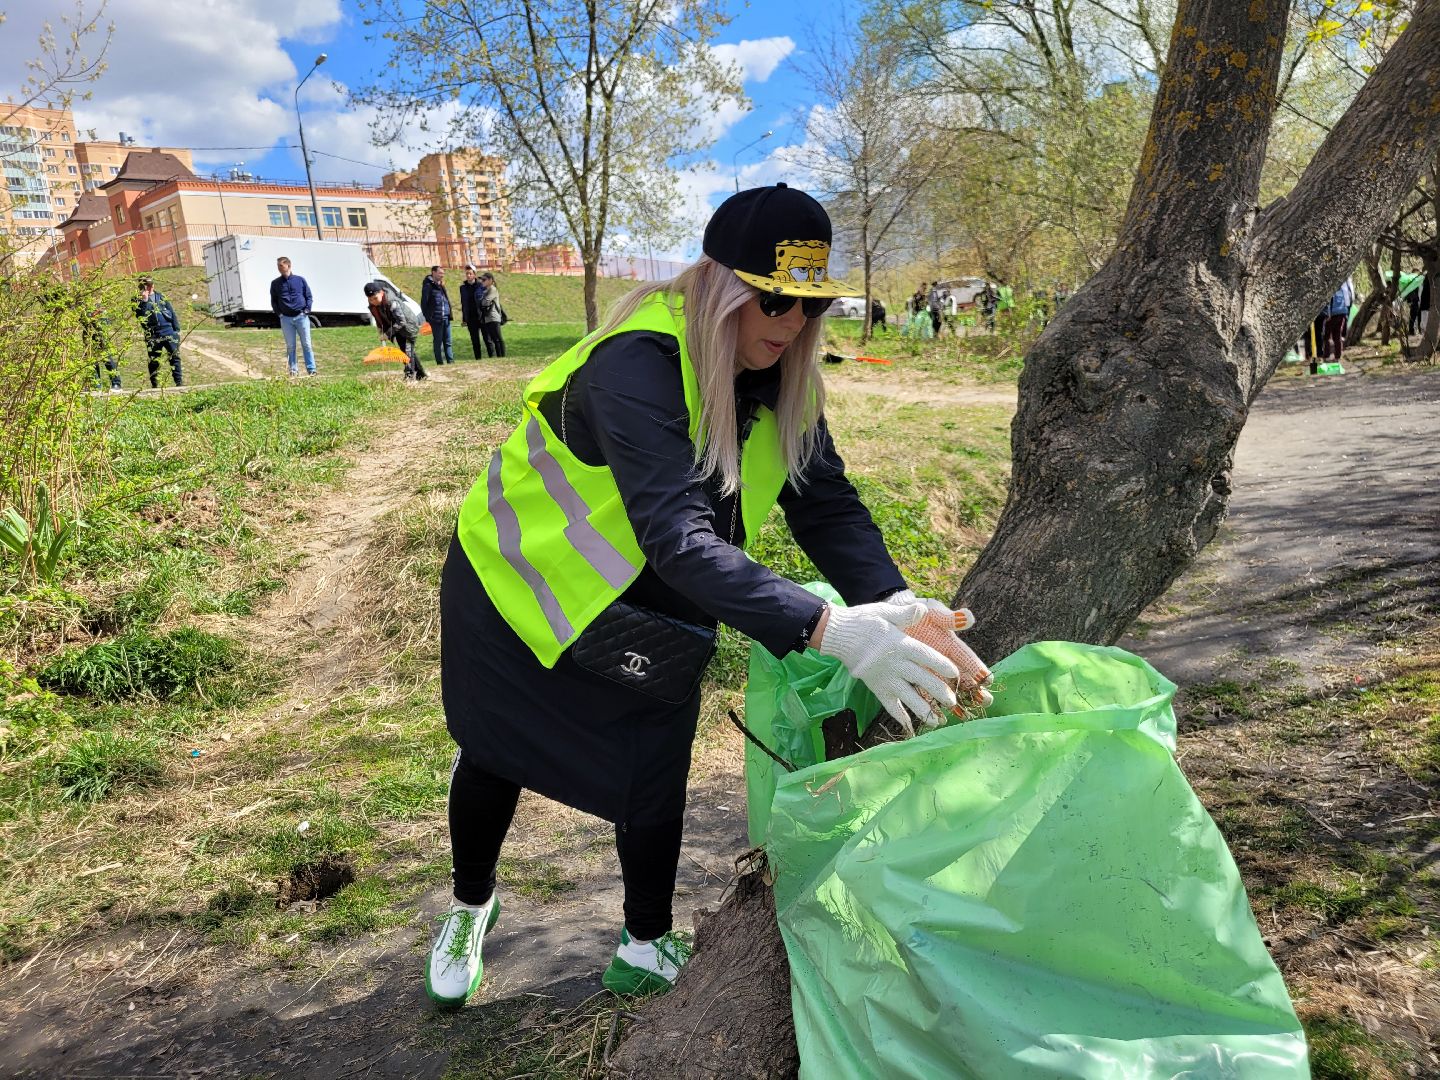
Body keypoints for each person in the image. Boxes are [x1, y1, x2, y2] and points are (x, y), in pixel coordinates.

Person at [427, 182, 982, 1010]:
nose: (792, 325)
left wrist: (901, 607)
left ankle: (643, 943)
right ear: (723, 286)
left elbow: (823, 501)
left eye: (809, 307)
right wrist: (829, 629)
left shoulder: (782, 374)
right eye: (773, 301)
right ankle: (471, 906)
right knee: (497, 749)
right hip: (525, 585)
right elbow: (678, 534)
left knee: (655, 764)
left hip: (660, 593)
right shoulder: (637, 364)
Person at [365, 281, 427, 382]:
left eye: (375, 298)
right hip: (396, 328)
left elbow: (402, 321)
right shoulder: (374, 305)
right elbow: (379, 318)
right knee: (406, 350)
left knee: (407, 351)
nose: (373, 301)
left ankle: (410, 377)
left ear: (381, 293)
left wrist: (387, 334)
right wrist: (380, 330)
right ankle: (421, 374)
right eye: (370, 299)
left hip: (408, 327)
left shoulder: (392, 302)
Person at [270, 256, 316, 377]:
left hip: (301, 317)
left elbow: (309, 296)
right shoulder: (275, 283)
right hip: (285, 319)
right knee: (290, 346)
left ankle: (311, 369)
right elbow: (274, 301)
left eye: (281, 265)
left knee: (306, 344)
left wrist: (307, 310)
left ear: (288, 266)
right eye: (278, 266)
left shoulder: (300, 280)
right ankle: (293, 370)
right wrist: (279, 314)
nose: (279, 268)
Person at [134, 276, 183, 388]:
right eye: (147, 285)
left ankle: (179, 382)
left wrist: (176, 330)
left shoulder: (160, 296)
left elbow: (171, 312)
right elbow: (140, 316)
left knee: (174, 357)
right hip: (152, 334)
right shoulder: (136, 300)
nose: (151, 287)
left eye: (151, 284)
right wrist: (144, 300)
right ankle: (155, 385)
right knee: (154, 360)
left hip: (168, 330)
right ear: (142, 286)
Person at [421, 265, 455, 366]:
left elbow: (446, 301)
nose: (442, 275)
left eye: (443, 274)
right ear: (433, 273)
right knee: (438, 342)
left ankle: (451, 362)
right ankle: (440, 363)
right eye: (440, 273)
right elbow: (424, 303)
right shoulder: (428, 286)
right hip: (436, 319)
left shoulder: (441, 285)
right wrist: (429, 318)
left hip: (446, 317)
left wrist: (449, 314)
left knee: (448, 341)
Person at [1321, 277, 1354, 365]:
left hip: (1333, 314)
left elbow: (1329, 303)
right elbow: (1348, 300)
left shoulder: (1330, 289)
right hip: (1342, 312)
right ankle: (1337, 356)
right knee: (1337, 335)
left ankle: (1326, 355)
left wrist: (1328, 315)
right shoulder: (1342, 288)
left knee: (1326, 336)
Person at [477, 271, 505, 357]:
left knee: (498, 338)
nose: (482, 282)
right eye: (481, 280)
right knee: (493, 338)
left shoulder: (492, 289)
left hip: (493, 316)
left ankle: (502, 356)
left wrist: (482, 301)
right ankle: (499, 356)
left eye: (484, 280)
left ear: (490, 280)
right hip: (488, 318)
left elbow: (485, 302)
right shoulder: (486, 290)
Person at [460, 265, 484, 360]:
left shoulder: (480, 285)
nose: (468, 275)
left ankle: (492, 357)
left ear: (474, 274)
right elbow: (463, 303)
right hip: (470, 317)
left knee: (487, 338)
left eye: (470, 273)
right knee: (474, 339)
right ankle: (478, 358)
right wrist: (464, 319)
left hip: (481, 316)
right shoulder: (463, 288)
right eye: (467, 274)